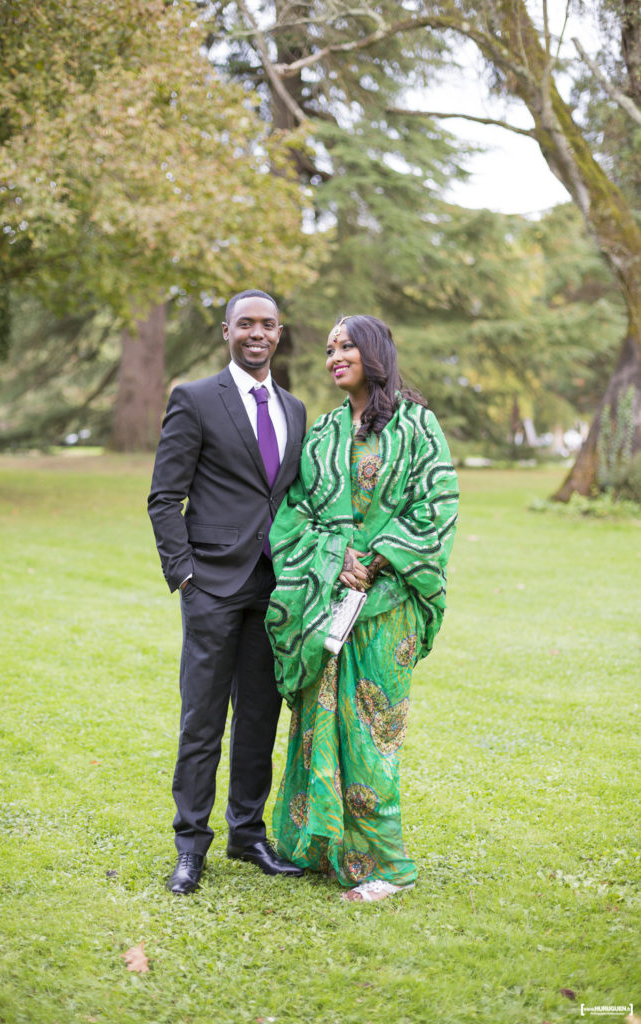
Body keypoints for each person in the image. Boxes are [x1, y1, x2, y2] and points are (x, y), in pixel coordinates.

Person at [266, 314, 459, 902]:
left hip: (388, 604)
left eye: (346, 345)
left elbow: (438, 507)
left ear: (373, 352)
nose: (334, 356)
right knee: (319, 724)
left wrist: (375, 557)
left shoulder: (416, 426)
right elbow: (294, 512)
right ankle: (328, 846)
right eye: (329, 349)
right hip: (330, 599)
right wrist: (336, 553)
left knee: (374, 731)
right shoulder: (322, 432)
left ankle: (390, 867)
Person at [148, 289, 306, 895]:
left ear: (279, 331)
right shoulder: (194, 399)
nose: (257, 333)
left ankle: (247, 835)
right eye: (246, 324)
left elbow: (289, 498)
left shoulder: (294, 410)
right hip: (211, 584)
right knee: (202, 721)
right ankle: (191, 846)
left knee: (260, 718)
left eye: (267, 324)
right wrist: (184, 574)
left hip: (274, 588)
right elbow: (165, 496)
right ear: (227, 332)